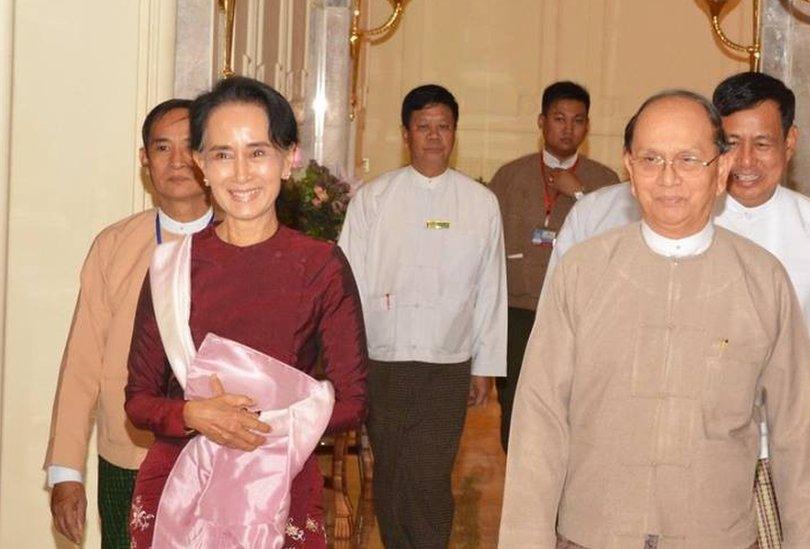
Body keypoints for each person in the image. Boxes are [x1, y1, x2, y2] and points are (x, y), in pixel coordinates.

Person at [547, 72, 810, 534]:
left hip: (771, 460)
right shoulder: (670, 217)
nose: (746, 161)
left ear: (790, 142)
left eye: (763, 143)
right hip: (658, 455)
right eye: (732, 144)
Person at [499, 90, 810, 548]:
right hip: (593, 536)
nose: (669, 178)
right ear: (630, 171)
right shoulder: (582, 272)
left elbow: (800, 439)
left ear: (720, 172)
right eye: (652, 159)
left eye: (688, 159)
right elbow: (538, 425)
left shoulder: (763, 281)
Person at [124, 76, 367, 548]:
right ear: (200, 164)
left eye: (257, 152)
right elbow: (138, 398)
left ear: (288, 158)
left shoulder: (320, 266)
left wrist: (259, 426)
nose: (240, 173)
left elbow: (354, 400)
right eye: (221, 154)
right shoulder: (172, 266)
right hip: (179, 493)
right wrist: (195, 414)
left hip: (280, 488)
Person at [338, 84, 506, 548]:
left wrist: (485, 366)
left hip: (448, 362)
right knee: (391, 470)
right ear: (406, 133)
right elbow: (345, 283)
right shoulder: (374, 198)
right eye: (423, 126)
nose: (434, 136)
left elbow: (491, 288)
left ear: (455, 133)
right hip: (383, 356)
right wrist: (347, 362)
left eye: (443, 127)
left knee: (431, 472)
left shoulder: (479, 202)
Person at [45, 98, 213, 548]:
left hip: (218, 454)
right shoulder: (115, 246)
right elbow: (81, 363)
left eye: (190, 146)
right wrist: (66, 471)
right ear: (145, 160)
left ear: (209, 154)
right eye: (162, 148)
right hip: (130, 451)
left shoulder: (240, 242)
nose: (177, 161)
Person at [489, 81, 618, 451]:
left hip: (578, 315)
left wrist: (579, 194)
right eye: (559, 119)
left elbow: (616, 243)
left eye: (577, 121)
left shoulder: (605, 182)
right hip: (518, 312)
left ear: (587, 127)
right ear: (542, 122)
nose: (567, 128)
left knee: (570, 409)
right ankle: (521, 490)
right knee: (515, 404)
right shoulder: (509, 177)